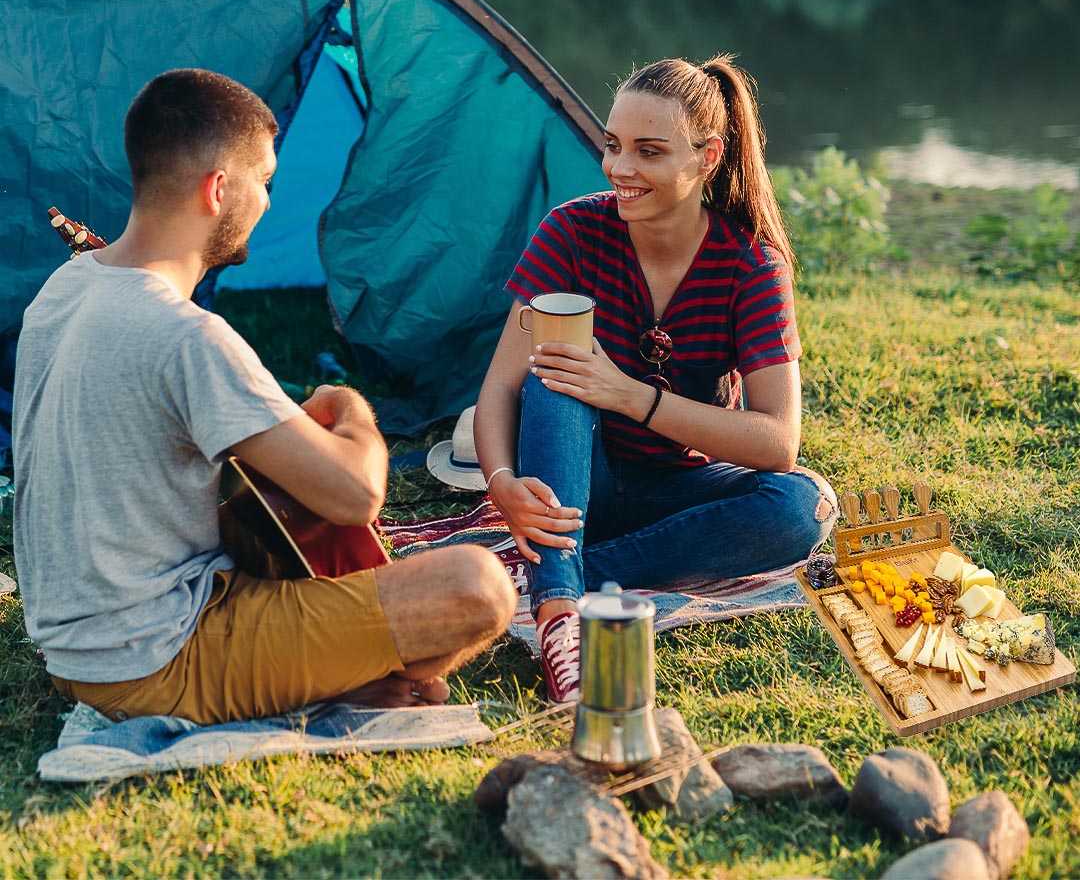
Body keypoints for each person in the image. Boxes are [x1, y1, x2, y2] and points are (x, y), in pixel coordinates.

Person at [13, 68, 516, 724]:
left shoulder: (65, 288)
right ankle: (350, 676)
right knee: (479, 587)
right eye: (265, 182)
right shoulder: (186, 336)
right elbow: (356, 493)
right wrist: (350, 407)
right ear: (219, 189)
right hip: (153, 658)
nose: (269, 204)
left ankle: (345, 670)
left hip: (79, 644)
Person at [474, 54, 837, 702]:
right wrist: (501, 482)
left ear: (707, 157)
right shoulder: (571, 232)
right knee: (555, 377)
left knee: (803, 505)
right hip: (577, 479)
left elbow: (778, 442)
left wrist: (629, 395)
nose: (620, 168)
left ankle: (565, 571)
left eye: (648, 151)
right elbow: (501, 388)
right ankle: (560, 618)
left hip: (681, 492)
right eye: (613, 145)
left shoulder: (751, 264)